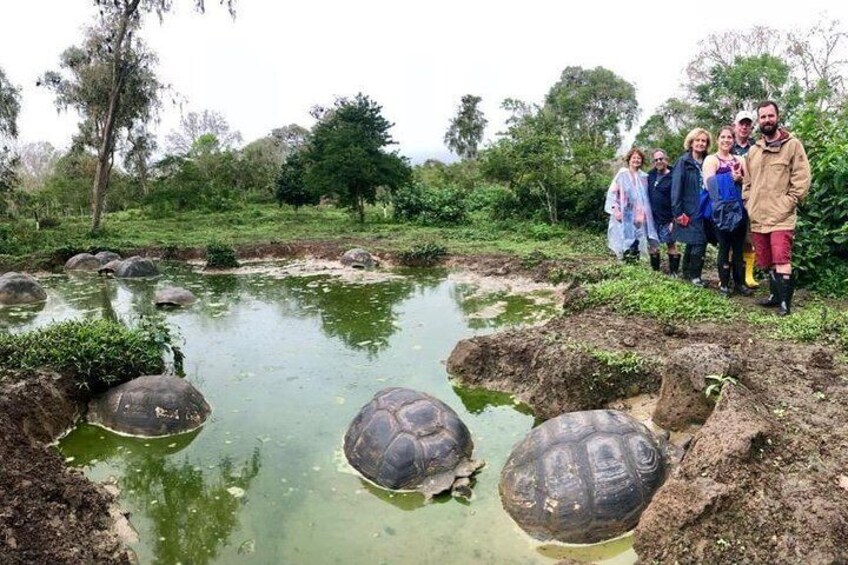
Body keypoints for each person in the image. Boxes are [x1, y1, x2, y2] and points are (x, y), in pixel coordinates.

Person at [742, 100, 811, 315]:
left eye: (770, 116)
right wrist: (748, 201)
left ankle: (785, 304)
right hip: (758, 216)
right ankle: (774, 296)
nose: (767, 120)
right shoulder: (754, 150)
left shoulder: (792, 145)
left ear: (777, 117)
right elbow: (747, 180)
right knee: (767, 260)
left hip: (782, 216)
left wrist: (789, 202)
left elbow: (802, 178)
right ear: (759, 121)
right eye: (763, 117)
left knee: (782, 258)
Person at [702, 126, 752, 297]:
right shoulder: (711, 159)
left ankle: (739, 282)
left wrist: (740, 178)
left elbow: (749, 180)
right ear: (718, 139)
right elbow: (710, 184)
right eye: (723, 137)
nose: (726, 140)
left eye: (730, 137)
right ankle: (724, 283)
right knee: (724, 246)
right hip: (721, 210)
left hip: (740, 208)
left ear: (733, 139)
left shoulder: (739, 159)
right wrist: (730, 178)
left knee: (739, 247)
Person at [671, 128, 711, 286]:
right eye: (698, 140)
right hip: (689, 208)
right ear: (691, 142)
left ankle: (687, 272)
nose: (701, 143)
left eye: (704, 141)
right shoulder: (684, 161)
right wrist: (677, 212)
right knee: (698, 241)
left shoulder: (708, 160)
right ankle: (695, 276)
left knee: (695, 241)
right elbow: (676, 188)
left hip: (705, 206)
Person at [604, 148, 657, 262]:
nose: (636, 160)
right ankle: (626, 262)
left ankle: (636, 262)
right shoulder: (622, 174)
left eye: (639, 158)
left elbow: (646, 197)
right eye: (634, 158)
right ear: (629, 160)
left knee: (639, 237)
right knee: (625, 237)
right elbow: (613, 193)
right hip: (625, 212)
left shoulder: (644, 177)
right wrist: (615, 209)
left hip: (639, 214)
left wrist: (643, 213)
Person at [731, 110, 760, 288]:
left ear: (751, 128)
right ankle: (728, 273)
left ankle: (748, 275)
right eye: (741, 123)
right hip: (731, 200)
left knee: (749, 237)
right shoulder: (727, 145)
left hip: (750, 198)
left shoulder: (756, 148)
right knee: (730, 237)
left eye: (747, 124)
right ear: (735, 125)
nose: (744, 127)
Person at [646, 149, 680, 275]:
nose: (659, 162)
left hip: (668, 219)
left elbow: (678, 198)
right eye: (656, 160)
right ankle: (656, 273)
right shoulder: (650, 175)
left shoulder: (674, 176)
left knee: (671, 244)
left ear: (666, 159)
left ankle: (674, 273)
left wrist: (674, 219)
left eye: (661, 159)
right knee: (653, 246)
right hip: (652, 218)